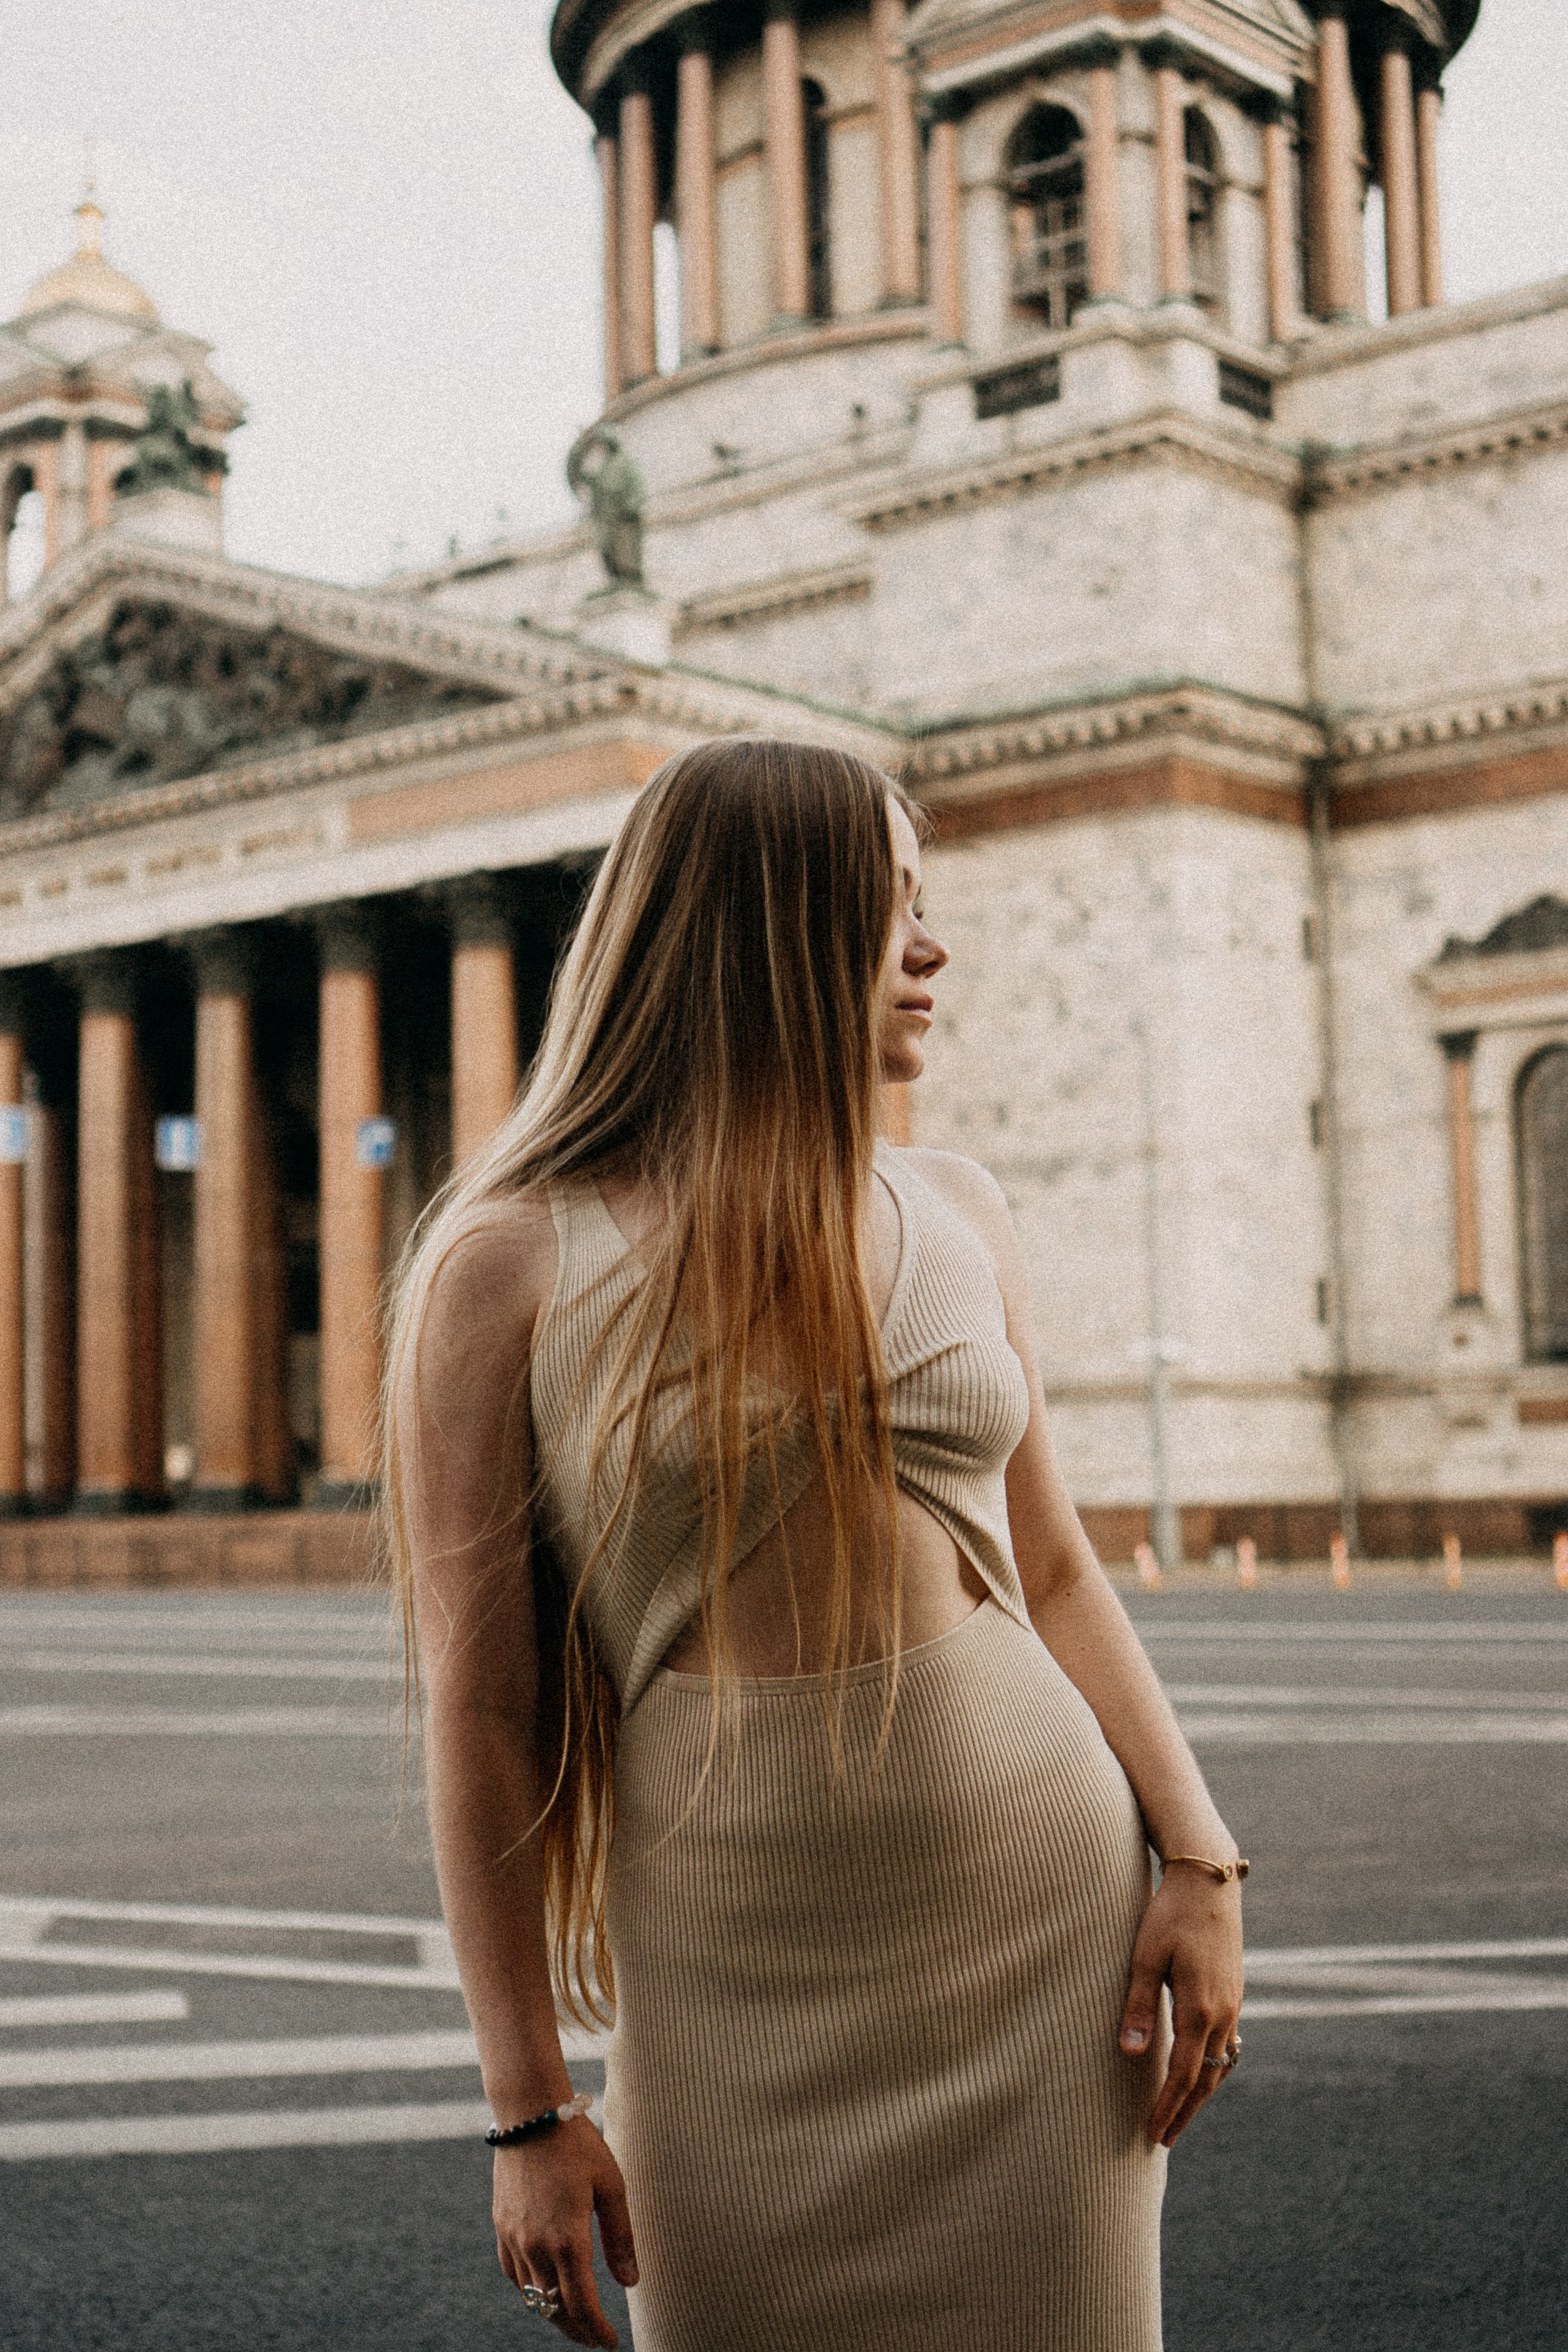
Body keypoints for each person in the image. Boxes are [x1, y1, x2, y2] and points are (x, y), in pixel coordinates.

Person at [384, 737, 1245, 2352]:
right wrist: (526, 2113)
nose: (932, 949)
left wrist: (1200, 1859)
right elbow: (480, 1706)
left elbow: (1051, 1566)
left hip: (1043, 1944)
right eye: (887, 907)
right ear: (763, 931)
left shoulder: (959, 1206)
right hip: (730, 1979)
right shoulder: (503, 1264)